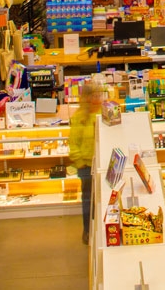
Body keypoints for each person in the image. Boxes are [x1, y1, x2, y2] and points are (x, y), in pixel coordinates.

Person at [70, 82, 102, 245]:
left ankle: (102, 229)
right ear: (87, 97)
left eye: (100, 95)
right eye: (94, 96)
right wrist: (80, 162)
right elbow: (74, 142)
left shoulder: (105, 113)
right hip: (86, 166)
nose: (98, 99)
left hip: (103, 164)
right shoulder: (79, 117)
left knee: (103, 198)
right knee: (88, 200)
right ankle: (88, 230)